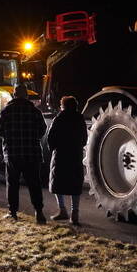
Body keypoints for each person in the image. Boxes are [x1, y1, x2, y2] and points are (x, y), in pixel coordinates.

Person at [0, 83, 48, 223]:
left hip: (13, 153)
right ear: (26, 95)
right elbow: (43, 130)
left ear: (14, 94)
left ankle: (13, 212)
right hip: (32, 153)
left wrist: (9, 136)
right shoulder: (35, 111)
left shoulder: (6, 111)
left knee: (12, 184)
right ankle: (39, 212)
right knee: (34, 184)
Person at [46, 96, 87, 224]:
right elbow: (84, 139)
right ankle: (75, 213)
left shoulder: (59, 119)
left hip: (61, 155)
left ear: (62, 106)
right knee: (75, 183)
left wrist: (52, 148)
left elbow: (50, 138)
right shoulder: (80, 119)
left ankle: (62, 210)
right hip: (75, 155)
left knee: (57, 182)